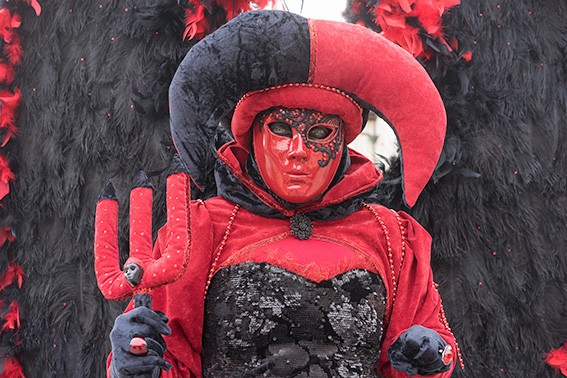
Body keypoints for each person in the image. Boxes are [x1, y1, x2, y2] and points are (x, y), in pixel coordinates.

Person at [97, 10, 461, 378]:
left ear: (343, 143)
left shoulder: (391, 236)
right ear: (253, 136)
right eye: (281, 129)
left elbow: (433, 348)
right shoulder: (200, 230)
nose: (298, 150)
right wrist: (135, 365)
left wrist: (429, 359)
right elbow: (169, 357)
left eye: (319, 133)